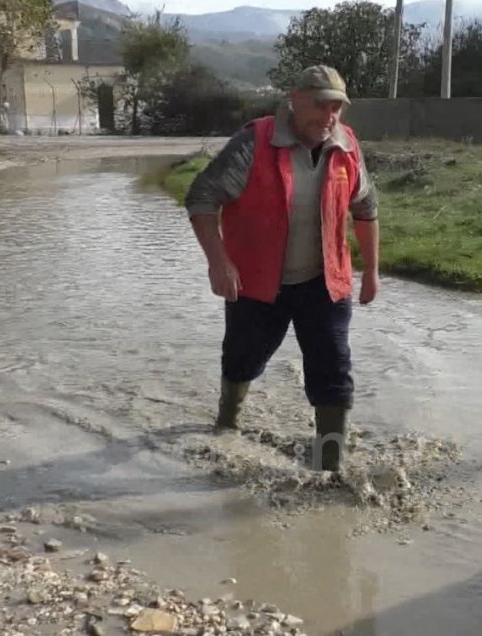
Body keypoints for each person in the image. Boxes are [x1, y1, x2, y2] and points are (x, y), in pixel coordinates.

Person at [184, 65, 380, 473]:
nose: (329, 117)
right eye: (320, 105)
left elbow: (366, 209)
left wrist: (372, 272)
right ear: (295, 98)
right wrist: (218, 263)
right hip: (257, 284)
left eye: (337, 108)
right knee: (243, 358)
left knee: (333, 369)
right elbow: (202, 198)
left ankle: (330, 465)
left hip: (324, 282)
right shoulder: (254, 142)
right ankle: (227, 422)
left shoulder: (346, 146)